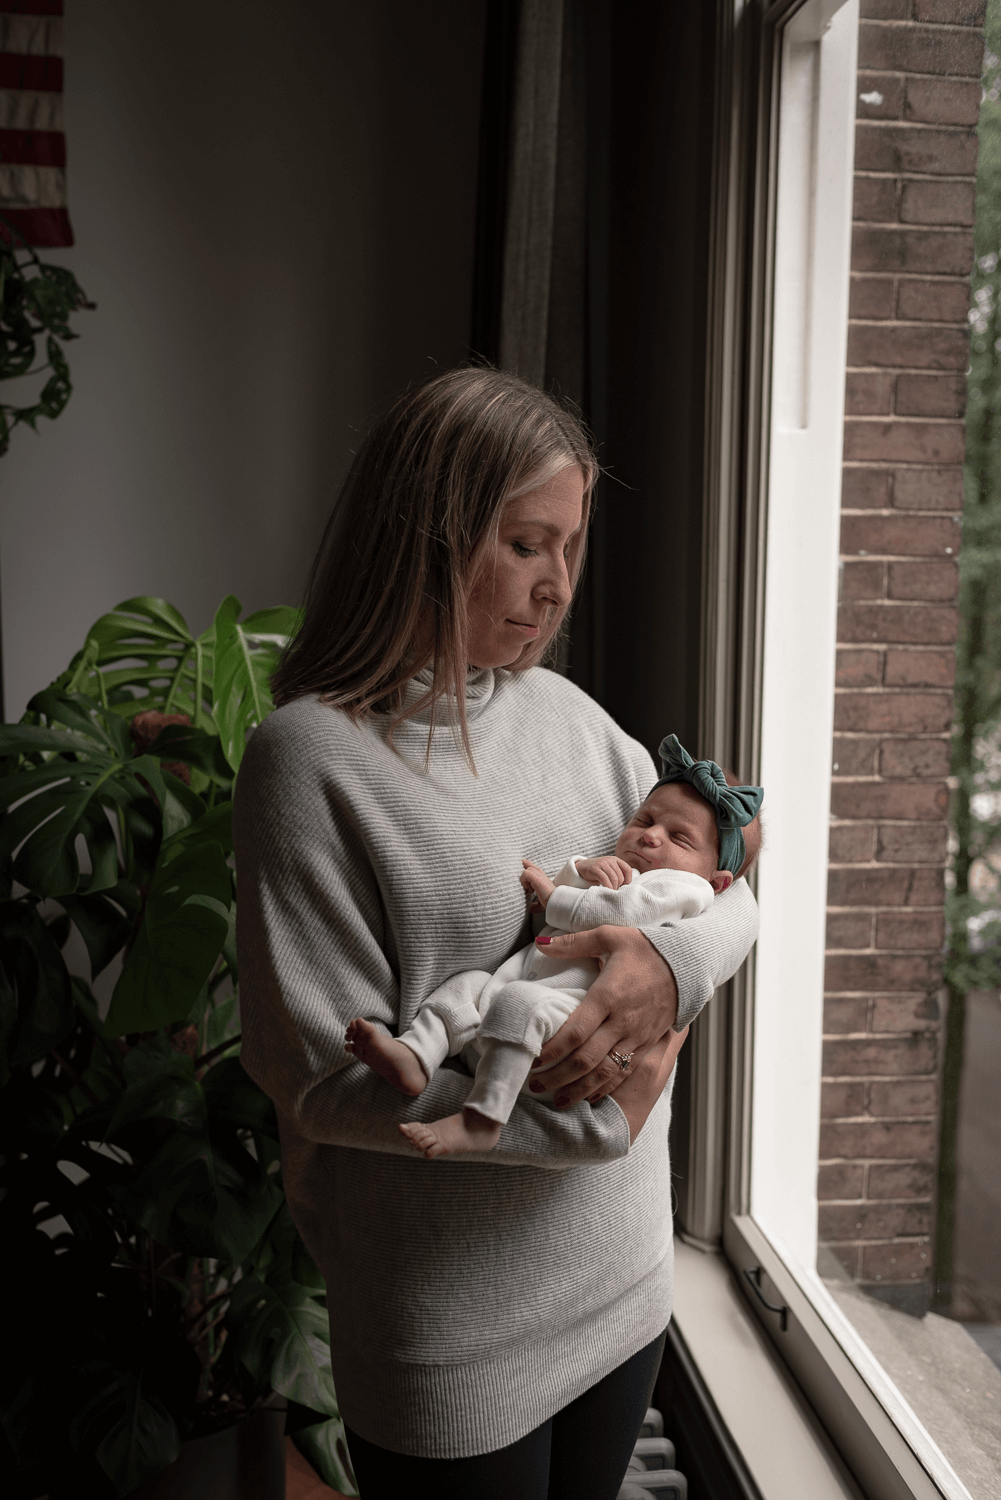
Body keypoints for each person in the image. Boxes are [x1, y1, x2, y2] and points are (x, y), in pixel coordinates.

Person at [234, 367, 759, 1499]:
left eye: (570, 547)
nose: (558, 585)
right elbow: (317, 1077)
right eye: (527, 544)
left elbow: (732, 885)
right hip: (454, 1324)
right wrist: (581, 1114)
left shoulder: (567, 717)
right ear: (425, 536)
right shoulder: (311, 760)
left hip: (622, 1281)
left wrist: (665, 970)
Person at [344, 735, 763, 1159]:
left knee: (524, 1001)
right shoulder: (621, 873)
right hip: (503, 1018)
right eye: (645, 819)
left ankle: (482, 1120)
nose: (651, 835)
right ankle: (417, 1054)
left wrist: (553, 890)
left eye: (680, 838)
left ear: (717, 883)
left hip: (562, 1041)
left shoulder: (683, 890)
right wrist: (579, 870)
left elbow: (619, 912)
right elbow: (547, 925)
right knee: (466, 985)